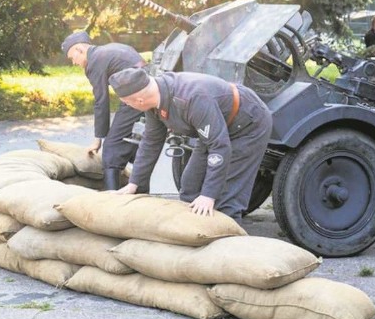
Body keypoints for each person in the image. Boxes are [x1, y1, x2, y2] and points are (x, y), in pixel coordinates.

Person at [109, 68, 273, 224]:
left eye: (126, 103)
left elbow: (219, 147)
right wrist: (134, 182)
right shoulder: (154, 101)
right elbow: (150, 142)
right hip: (215, 129)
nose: (127, 107)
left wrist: (209, 195)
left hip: (247, 125)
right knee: (189, 187)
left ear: (139, 100)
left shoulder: (191, 98)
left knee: (226, 199)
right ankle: (197, 233)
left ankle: (228, 245)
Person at [62, 32, 145, 190]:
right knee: (131, 147)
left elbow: (101, 101)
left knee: (111, 150)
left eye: (73, 57)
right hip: (148, 90)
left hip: (137, 97)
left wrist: (98, 139)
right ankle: (141, 191)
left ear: (80, 49)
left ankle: (110, 202)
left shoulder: (94, 62)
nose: (74, 62)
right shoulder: (109, 49)